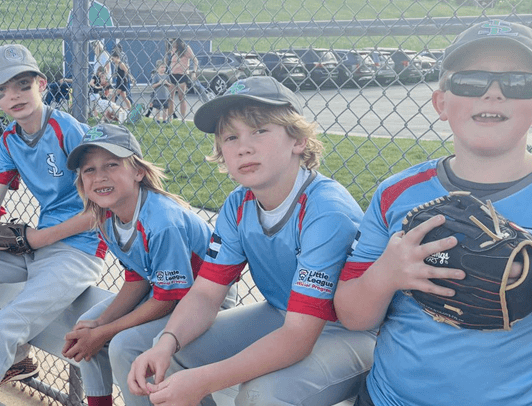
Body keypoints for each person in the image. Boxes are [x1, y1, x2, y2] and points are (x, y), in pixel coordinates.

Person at [334, 20, 532, 406]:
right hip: (391, 398)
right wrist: (387, 273)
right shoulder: (397, 193)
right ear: (441, 104)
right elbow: (352, 315)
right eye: (470, 81)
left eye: (518, 83)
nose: (494, 93)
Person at [127, 76, 376, 406]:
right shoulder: (238, 203)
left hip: (347, 333)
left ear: (298, 140)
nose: (244, 146)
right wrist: (167, 342)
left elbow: (300, 336)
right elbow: (204, 294)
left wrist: (203, 380)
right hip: (282, 314)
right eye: (231, 137)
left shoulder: (325, 208)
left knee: (263, 394)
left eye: (259, 130)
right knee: (168, 353)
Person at [0, 43, 105, 406]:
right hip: (39, 246)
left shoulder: (67, 130)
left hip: (78, 249)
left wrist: (41, 237)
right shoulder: (11, 139)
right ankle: (15, 359)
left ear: (41, 85)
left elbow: (101, 209)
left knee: (4, 326)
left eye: (22, 84)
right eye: (2, 90)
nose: (14, 95)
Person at [62, 124, 236, 406]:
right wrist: (97, 325)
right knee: (84, 330)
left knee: (121, 345)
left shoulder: (162, 222)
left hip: (207, 301)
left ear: (138, 172)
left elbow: (167, 300)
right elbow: (137, 278)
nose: (100, 176)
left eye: (112, 165)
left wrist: (105, 331)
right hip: (166, 292)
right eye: (89, 170)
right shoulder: (107, 216)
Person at [166, 38, 197, 119]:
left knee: (181, 97)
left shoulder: (186, 48)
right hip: (172, 74)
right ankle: (170, 118)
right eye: (170, 41)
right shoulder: (171, 48)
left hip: (182, 75)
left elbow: (195, 60)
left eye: (173, 41)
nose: (172, 43)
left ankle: (183, 118)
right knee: (170, 97)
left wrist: (193, 72)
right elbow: (166, 58)